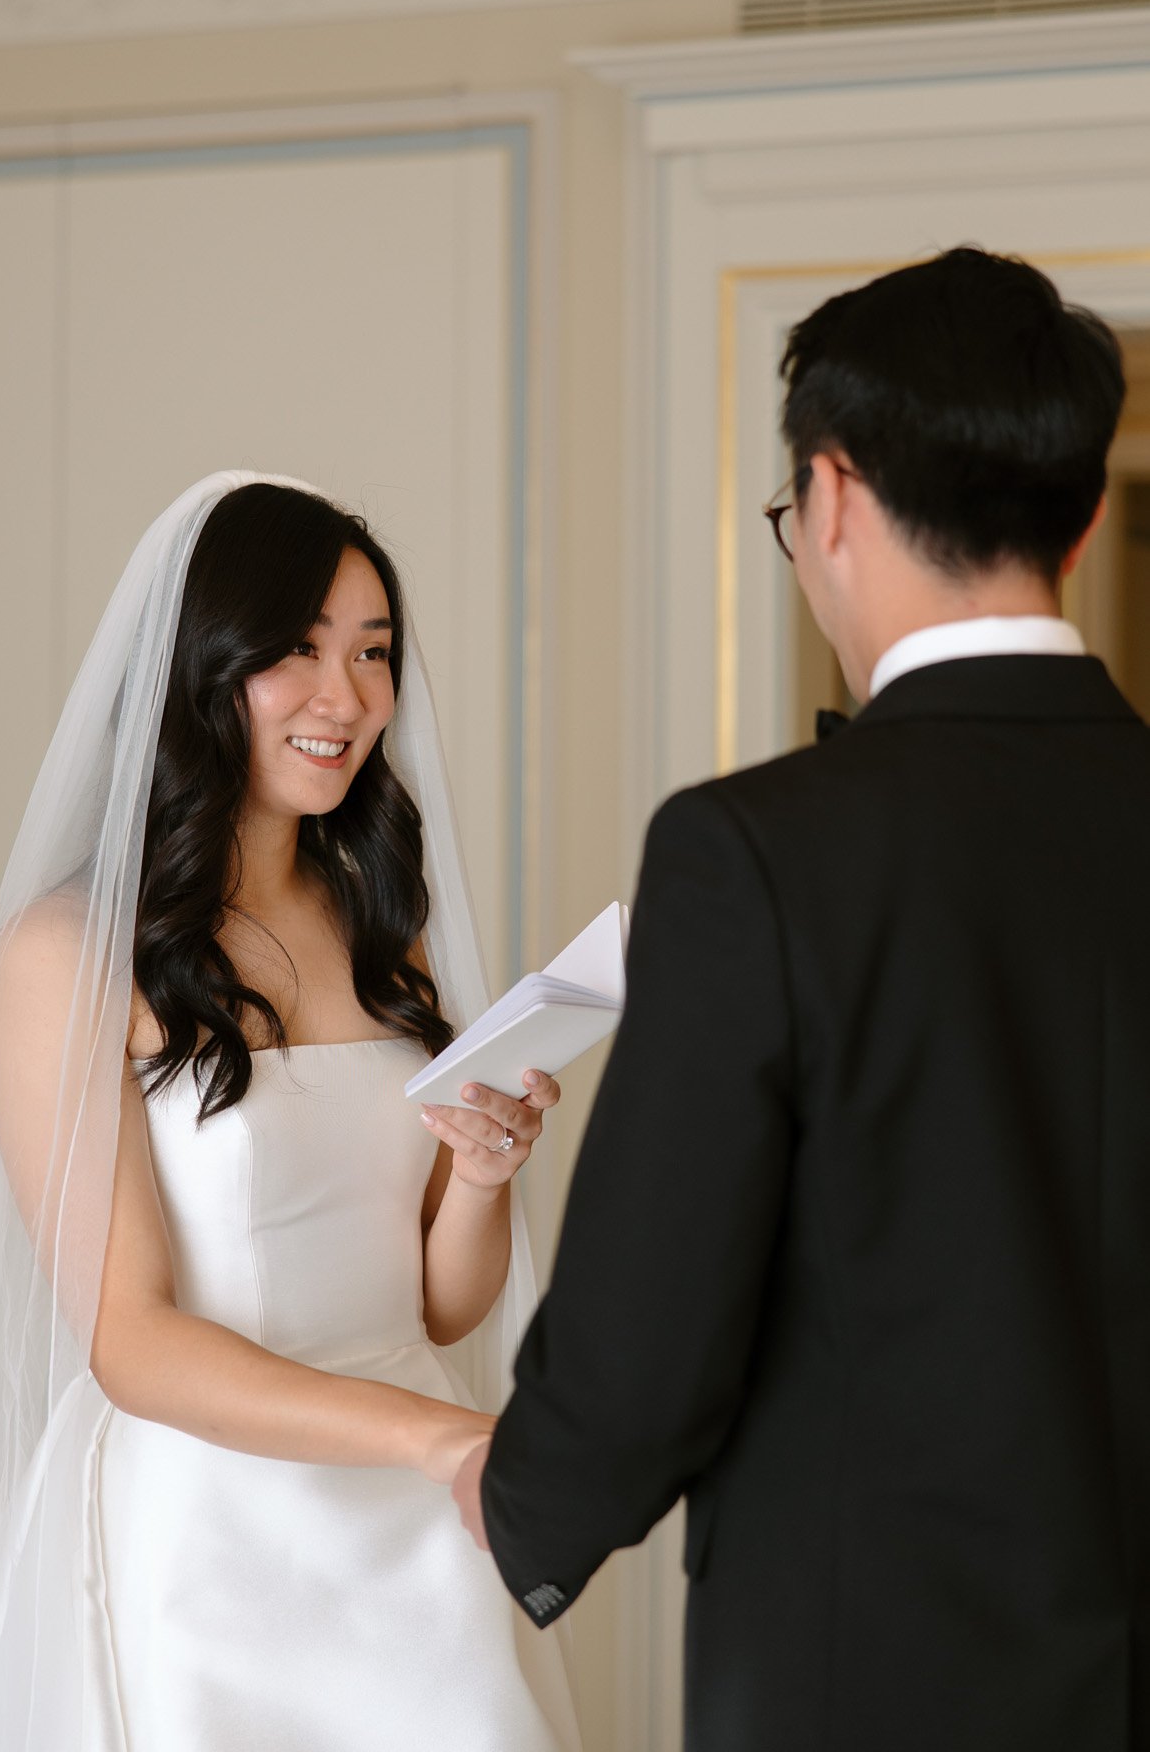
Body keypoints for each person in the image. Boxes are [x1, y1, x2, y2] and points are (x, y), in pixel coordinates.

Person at [456, 247, 1147, 1752]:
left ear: (828, 497)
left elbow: (648, 1335)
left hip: (869, 1681)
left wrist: (519, 1502)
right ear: (1084, 518)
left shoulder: (753, 850)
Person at [0, 473, 579, 1752]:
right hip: (215, 1538)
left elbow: (437, 1307)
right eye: (295, 650)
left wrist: (485, 1176)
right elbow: (131, 1337)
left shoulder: (383, 933)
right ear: (200, 666)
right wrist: (442, 1436)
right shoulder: (70, 953)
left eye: (373, 654)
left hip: (414, 1538)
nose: (345, 697)